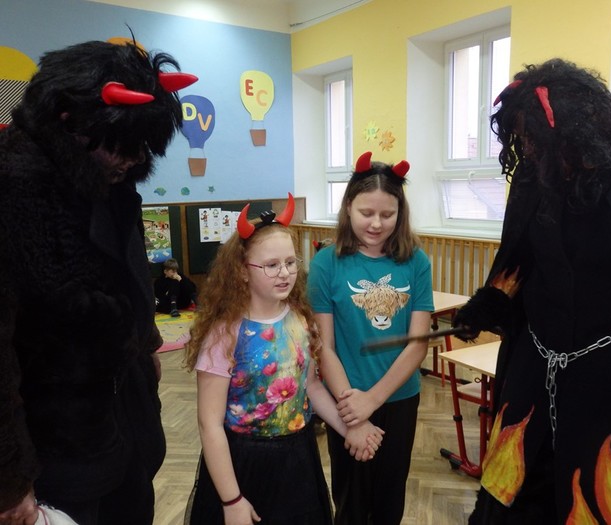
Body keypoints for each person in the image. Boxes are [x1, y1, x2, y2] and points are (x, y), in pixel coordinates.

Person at [451, 58, 611, 524]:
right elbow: (521, 255)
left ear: (576, 129)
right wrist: (491, 302)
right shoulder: (535, 175)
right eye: (522, 140)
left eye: (535, 139)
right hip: (536, 362)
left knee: (599, 497)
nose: (527, 150)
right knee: (515, 495)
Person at [0, 39, 197, 524]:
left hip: (124, 418)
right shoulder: (12, 190)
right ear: (71, 122)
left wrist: (146, 344)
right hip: (55, 443)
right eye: (123, 144)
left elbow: (130, 272)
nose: (134, 159)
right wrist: (9, 479)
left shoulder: (113, 184)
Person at [183, 194, 384, 525]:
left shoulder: (300, 321)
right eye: (271, 265)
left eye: (291, 262)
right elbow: (210, 424)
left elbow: (312, 387)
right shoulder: (225, 335)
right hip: (242, 464)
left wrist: (349, 427)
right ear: (242, 271)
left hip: (297, 460)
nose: (285, 273)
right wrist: (232, 500)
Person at [307, 152, 434, 525]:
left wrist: (373, 400)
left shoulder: (416, 262)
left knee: (389, 500)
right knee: (351, 500)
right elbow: (324, 347)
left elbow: (418, 343)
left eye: (387, 214)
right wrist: (354, 413)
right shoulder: (326, 263)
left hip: (399, 398)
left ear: (400, 213)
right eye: (366, 212)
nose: (377, 223)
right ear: (348, 207)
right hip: (345, 399)